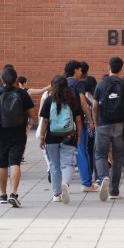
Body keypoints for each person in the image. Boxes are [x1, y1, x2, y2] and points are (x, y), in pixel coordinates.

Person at [0, 65, 36, 207]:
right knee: (15, 163)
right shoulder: (23, 94)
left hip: (1, 135)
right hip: (18, 134)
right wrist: (28, 122)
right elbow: (32, 114)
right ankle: (14, 194)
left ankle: (3, 195)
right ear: (16, 80)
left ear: (2, 79)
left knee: (1, 165)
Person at [92, 57, 124, 201]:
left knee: (100, 155)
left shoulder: (101, 84)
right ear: (121, 68)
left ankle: (104, 177)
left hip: (103, 124)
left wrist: (95, 122)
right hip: (120, 126)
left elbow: (95, 106)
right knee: (118, 157)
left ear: (108, 67)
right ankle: (114, 191)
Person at [38, 75, 83, 203]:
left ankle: (56, 194)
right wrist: (78, 135)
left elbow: (45, 121)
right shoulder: (72, 99)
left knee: (54, 165)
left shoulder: (48, 100)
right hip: (69, 136)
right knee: (68, 163)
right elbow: (79, 120)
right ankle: (66, 185)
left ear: (53, 86)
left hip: (52, 137)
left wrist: (42, 137)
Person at [65, 60, 98, 192]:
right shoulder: (78, 84)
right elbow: (83, 103)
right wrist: (90, 120)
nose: (81, 72)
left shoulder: (62, 83)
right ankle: (86, 183)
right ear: (75, 70)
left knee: (64, 152)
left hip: (63, 123)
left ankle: (62, 184)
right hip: (77, 121)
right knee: (81, 151)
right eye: (79, 70)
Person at [83, 75, 98, 182]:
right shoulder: (98, 95)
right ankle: (98, 176)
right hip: (98, 127)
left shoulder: (83, 97)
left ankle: (89, 173)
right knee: (98, 152)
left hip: (87, 127)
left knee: (88, 152)